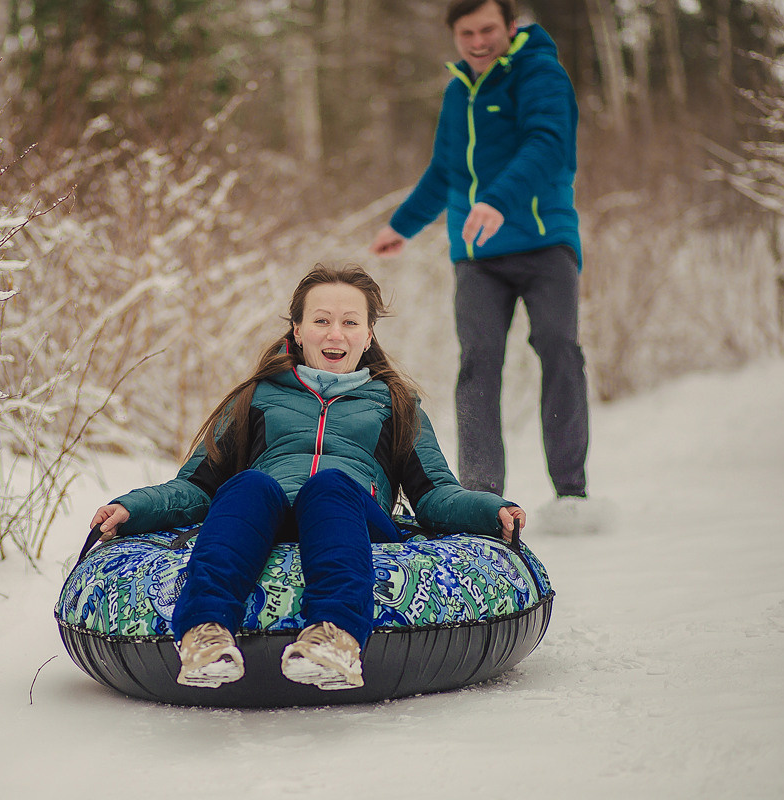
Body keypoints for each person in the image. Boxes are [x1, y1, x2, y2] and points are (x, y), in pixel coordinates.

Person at [89, 264, 525, 691]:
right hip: (265, 518)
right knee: (248, 484)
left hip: (351, 521)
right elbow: (196, 486)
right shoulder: (256, 396)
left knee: (330, 485)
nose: (335, 334)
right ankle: (205, 633)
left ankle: (335, 638)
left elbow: (436, 495)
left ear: (368, 334)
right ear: (297, 330)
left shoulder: (395, 402)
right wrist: (133, 507)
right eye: (321, 321)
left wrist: (492, 510)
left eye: (350, 322)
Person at [369, 0, 590, 504]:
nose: (478, 42)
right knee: (478, 363)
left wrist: (496, 200)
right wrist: (402, 225)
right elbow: (447, 171)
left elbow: (548, 143)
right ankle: (482, 494)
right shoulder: (458, 92)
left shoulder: (540, 75)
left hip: (544, 244)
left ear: (511, 27)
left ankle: (571, 492)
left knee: (559, 349)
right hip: (478, 256)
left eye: (488, 29)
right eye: (466, 33)